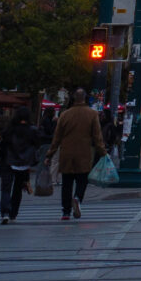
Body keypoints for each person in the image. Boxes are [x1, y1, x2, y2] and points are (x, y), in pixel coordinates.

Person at [48, 89, 103, 222]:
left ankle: (66, 211)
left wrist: (50, 154)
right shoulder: (92, 114)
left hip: (67, 153)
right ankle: (77, 197)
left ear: (73, 98)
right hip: (84, 153)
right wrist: (102, 152)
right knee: (82, 180)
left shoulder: (65, 115)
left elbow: (57, 137)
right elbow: (97, 136)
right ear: (85, 98)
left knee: (66, 183)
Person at [0, 107, 40, 224]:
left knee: (6, 188)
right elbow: (37, 144)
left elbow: (4, 142)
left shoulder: (10, 129)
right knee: (18, 189)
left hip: (8, 161)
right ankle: (13, 213)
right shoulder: (32, 130)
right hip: (24, 163)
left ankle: (5, 212)